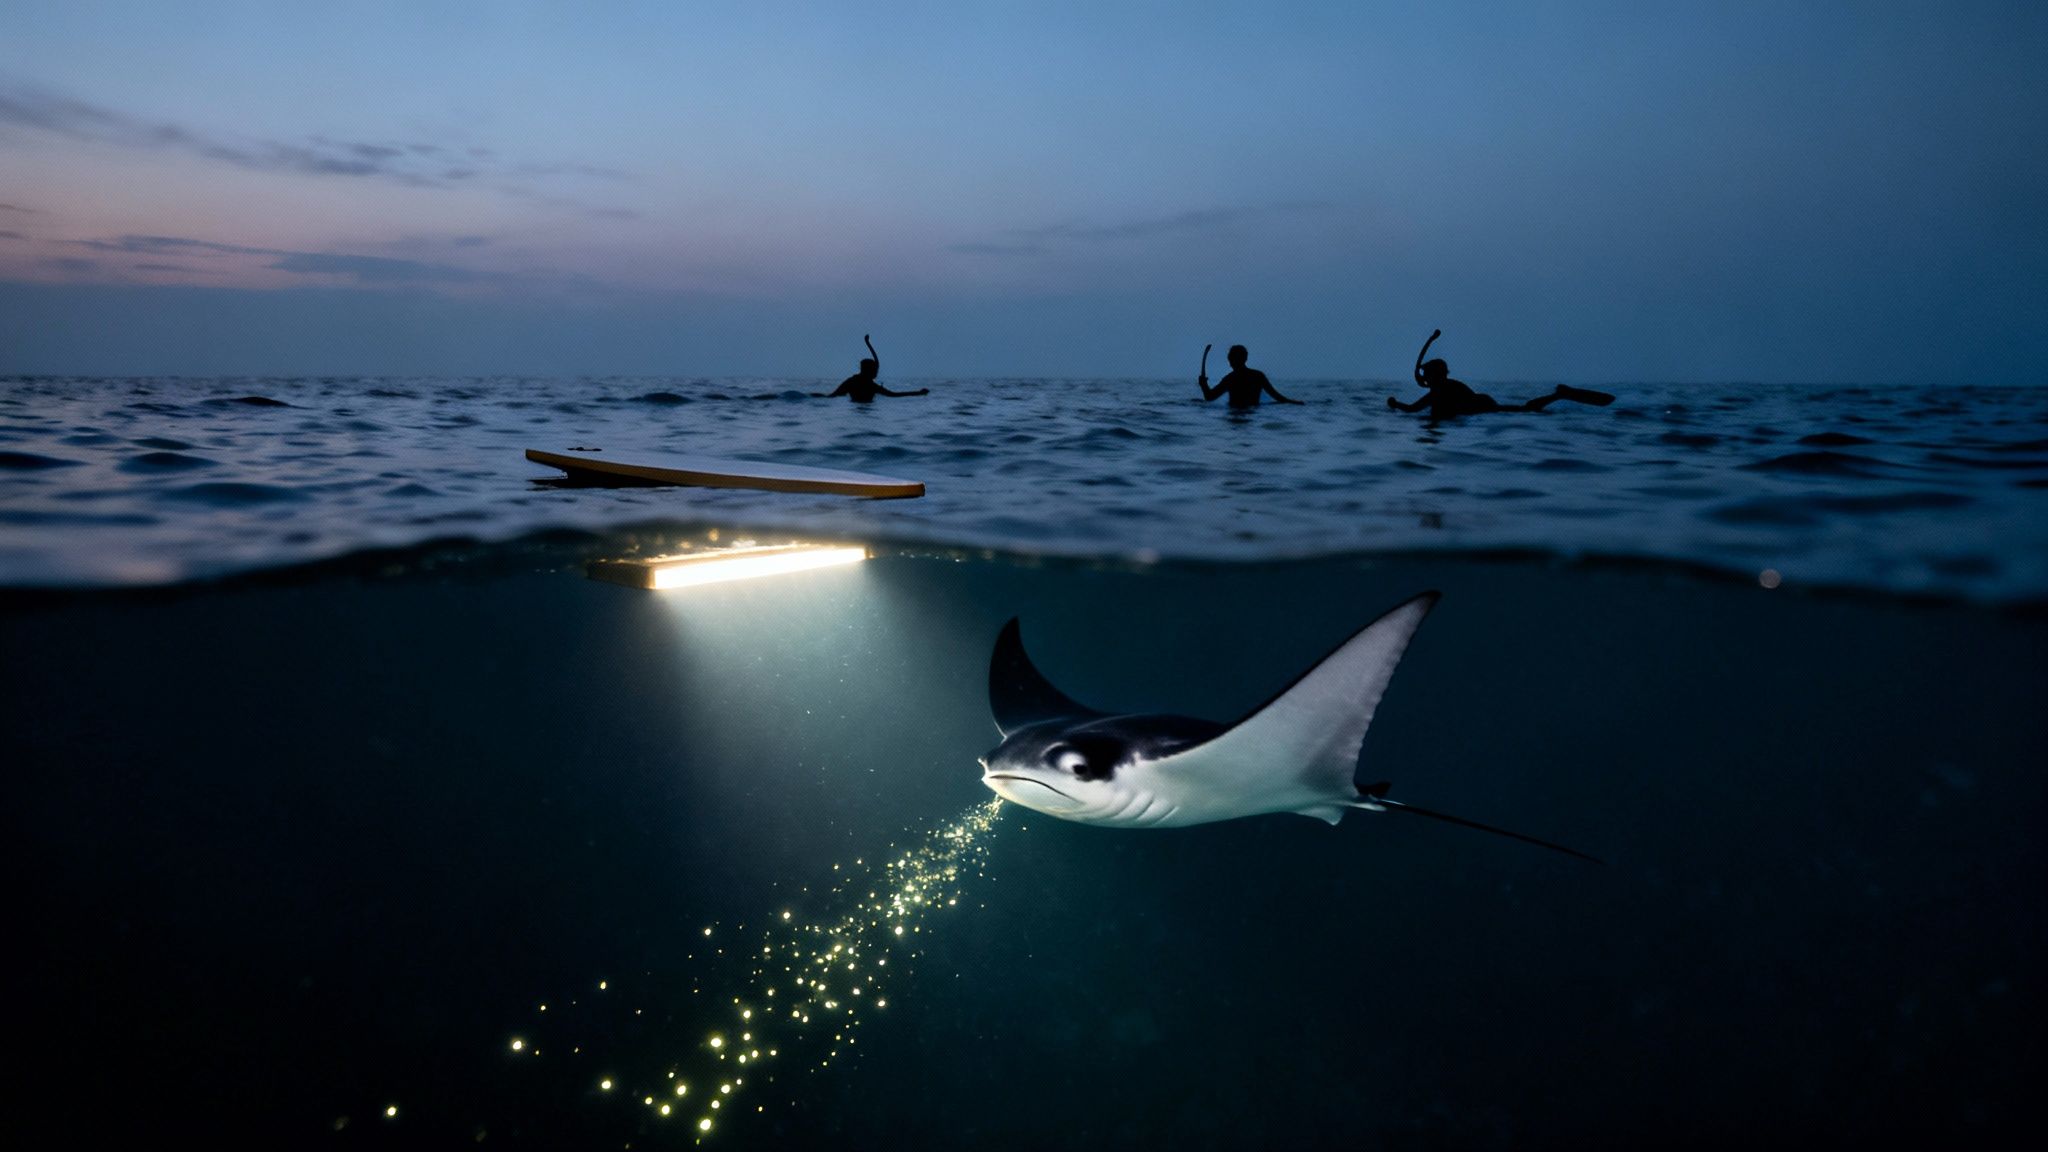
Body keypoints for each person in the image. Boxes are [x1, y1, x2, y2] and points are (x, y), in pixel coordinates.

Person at [1388, 330, 1611, 417]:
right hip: (1483, 404)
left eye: (1428, 375)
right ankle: (1558, 395)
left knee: (1525, 410)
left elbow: (1412, 409)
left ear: (1435, 376)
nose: (1425, 379)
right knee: (1524, 408)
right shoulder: (1445, 386)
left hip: (1482, 407)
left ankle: (1560, 395)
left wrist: (1394, 404)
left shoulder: (1440, 391)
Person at [815, 335, 928, 402]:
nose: (877, 372)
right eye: (874, 369)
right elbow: (894, 395)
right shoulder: (870, 385)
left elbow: (831, 396)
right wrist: (919, 393)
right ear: (870, 371)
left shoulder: (851, 382)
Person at [1199, 345, 1303, 408]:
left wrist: (1203, 385)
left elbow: (1209, 397)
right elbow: (1278, 397)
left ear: (1230, 361)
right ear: (1245, 359)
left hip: (1234, 412)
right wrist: (1293, 402)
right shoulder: (1257, 376)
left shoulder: (1230, 379)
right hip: (1254, 413)